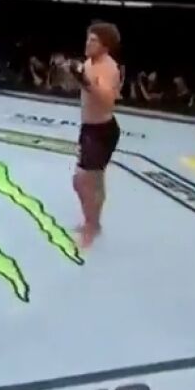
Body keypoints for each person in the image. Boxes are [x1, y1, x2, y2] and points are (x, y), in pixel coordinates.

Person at [65, 22, 123, 248]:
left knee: (83, 181)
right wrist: (71, 74)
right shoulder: (89, 63)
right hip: (89, 128)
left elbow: (108, 101)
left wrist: (85, 81)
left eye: (94, 40)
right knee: (91, 181)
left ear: (105, 46)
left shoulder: (109, 68)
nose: (88, 43)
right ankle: (93, 223)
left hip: (101, 131)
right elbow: (79, 89)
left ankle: (91, 226)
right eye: (88, 38)